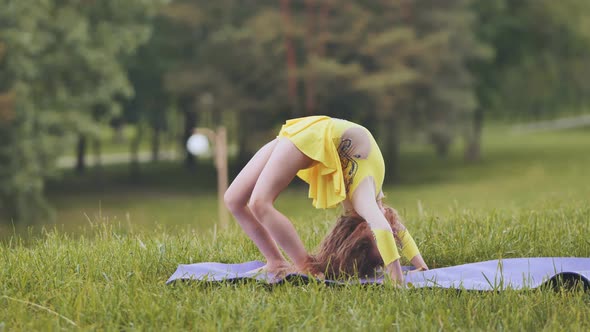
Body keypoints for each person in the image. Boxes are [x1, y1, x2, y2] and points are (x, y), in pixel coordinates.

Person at [224, 115, 427, 283]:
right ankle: (291, 264)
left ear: (361, 232)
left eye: (382, 245)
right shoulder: (370, 202)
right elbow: (391, 228)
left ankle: (296, 265)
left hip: (309, 136)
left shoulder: (362, 202)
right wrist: (412, 270)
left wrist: (403, 271)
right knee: (234, 199)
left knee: (256, 203)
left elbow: (385, 228)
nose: (389, 238)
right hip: (311, 133)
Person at [309, 206, 428, 279]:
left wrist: (397, 277)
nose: (393, 233)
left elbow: (384, 229)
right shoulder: (371, 212)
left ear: (362, 227)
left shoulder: (364, 203)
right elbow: (397, 229)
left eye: (383, 240)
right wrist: (421, 267)